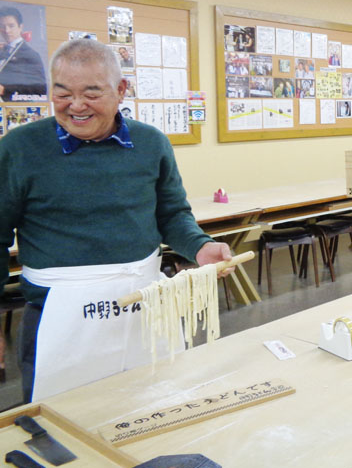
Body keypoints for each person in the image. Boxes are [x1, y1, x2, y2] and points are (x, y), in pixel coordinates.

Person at [0, 38, 232, 403]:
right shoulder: (20, 148)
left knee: (150, 408)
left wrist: (200, 246)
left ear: (121, 90)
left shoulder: (151, 144)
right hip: (55, 316)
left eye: (91, 93)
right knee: (60, 427)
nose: (76, 106)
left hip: (143, 305)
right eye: (62, 93)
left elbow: (172, 214)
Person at [0, 6, 48, 101]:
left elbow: (40, 91)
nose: (7, 30)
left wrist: (5, 90)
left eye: (11, 26)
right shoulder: (3, 50)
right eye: (2, 26)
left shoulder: (31, 55)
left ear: (20, 27)